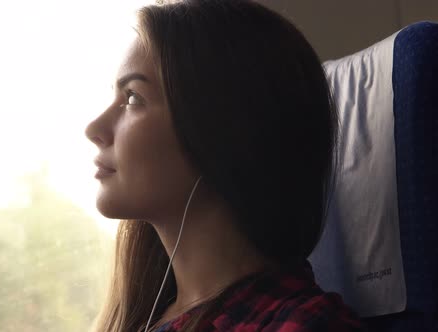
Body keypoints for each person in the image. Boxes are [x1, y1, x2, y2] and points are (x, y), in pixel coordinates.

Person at [84, 0, 364, 331]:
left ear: (223, 131)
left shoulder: (303, 324)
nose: (94, 129)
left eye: (133, 98)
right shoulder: (140, 317)